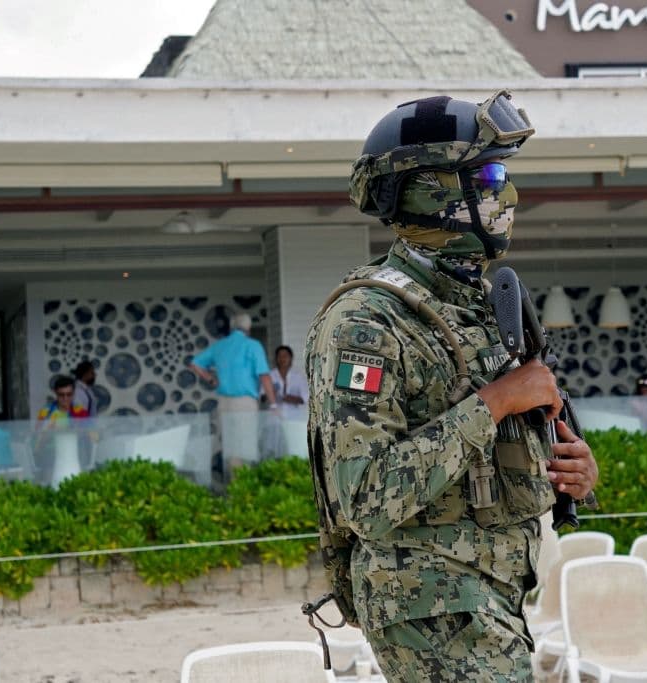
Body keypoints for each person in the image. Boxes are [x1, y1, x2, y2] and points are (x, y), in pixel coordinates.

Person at [305, 91, 598, 682]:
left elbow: (495, 460)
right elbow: (365, 498)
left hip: (490, 593)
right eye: (488, 175)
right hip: (426, 597)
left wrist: (571, 470)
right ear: (424, 190)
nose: (505, 193)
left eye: (505, 174)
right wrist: (498, 400)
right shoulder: (367, 322)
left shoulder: (477, 307)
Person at [189, 313, 277, 478]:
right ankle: (246, 485)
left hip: (224, 403)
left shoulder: (220, 346)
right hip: (244, 402)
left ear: (232, 327)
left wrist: (210, 379)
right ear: (248, 328)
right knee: (246, 443)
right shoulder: (252, 345)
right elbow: (264, 376)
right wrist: (273, 404)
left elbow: (195, 363)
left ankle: (233, 484)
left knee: (230, 444)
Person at [268, 345, 308, 418]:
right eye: (279, 356)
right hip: (274, 417)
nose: (282, 358)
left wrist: (289, 398)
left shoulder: (298, 376)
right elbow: (262, 397)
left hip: (293, 417)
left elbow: (304, 399)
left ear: (291, 358)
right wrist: (271, 393)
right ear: (276, 358)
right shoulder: (270, 376)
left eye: (285, 356)